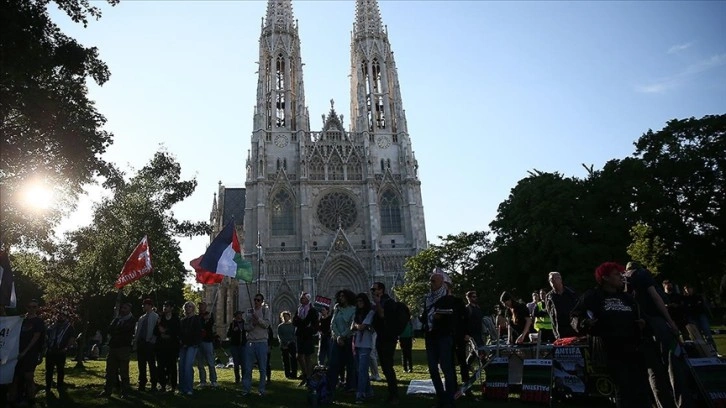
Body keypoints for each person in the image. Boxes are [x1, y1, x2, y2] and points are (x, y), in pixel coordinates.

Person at [570, 262, 650, 408]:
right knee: (624, 389)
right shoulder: (593, 296)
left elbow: (642, 316)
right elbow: (575, 317)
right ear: (605, 278)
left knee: (641, 389)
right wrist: (585, 323)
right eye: (616, 274)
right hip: (610, 349)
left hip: (634, 348)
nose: (621, 277)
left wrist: (643, 323)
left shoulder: (627, 298)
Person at [624, 261, 687, 408]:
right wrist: (671, 322)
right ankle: (683, 403)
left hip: (639, 328)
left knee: (653, 370)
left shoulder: (622, 280)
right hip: (657, 324)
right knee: (673, 364)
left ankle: (663, 404)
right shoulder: (643, 275)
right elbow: (655, 297)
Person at [421, 269, 458, 408]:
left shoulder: (448, 299)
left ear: (442, 283)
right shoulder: (428, 298)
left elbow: (453, 317)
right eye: (430, 281)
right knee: (432, 368)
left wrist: (441, 317)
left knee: (446, 368)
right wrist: (427, 317)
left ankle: (449, 400)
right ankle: (441, 397)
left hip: (443, 336)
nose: (430, 283)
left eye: (433, 281)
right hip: (430, 336)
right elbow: (424, 315)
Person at [12, 299, 46, 405]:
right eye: (30, 307)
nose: (32, 309)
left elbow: (36, 337)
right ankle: (18, 397)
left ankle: (31, 398)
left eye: (34, 307)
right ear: (26, 308)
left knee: (29, 376)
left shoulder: (39, 322)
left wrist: (25, 351)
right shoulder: (22, 320)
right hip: (17, 352)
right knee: (17, 377)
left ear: (37, 308)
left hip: (31, 353)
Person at [370, 281, 399, 404]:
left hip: (388, 339)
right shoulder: (380, 302)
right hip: (381, 337)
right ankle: (391, 393)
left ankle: (394, 395)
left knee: (388, 367)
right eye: (372, 290)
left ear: (381, 290)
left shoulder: (388, 302)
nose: (372, 292)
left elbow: (383, 316)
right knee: (385, 368)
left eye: (374, 289)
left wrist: (376, 303)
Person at [100, 302, 136, 398]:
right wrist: (117, 329)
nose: (123, 309)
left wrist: (117, 330)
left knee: (124, 371)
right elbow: (110, 329)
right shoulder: (117, 319)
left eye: (125, 308)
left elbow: (126, 330)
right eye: (122, 308)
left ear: (129, 309)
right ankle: (107, 391)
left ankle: (125, 392)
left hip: (124, 347)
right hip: (113, 347)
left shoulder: (132, 320)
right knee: (110, 371)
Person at [327, 289, 356, 394]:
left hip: (348, 339)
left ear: (348, 297)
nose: (341, 298)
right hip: (337, 339)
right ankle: (331, 385)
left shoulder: (353, 309)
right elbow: (332, 324)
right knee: (333, 364)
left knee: (350, 364)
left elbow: (351, 325)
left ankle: (350, 386)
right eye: (339, 296)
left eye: (343, 296)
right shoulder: (337, 308)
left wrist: (342, 336)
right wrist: (338, 336)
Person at [242, 293, 270, 396]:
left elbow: (266, 324)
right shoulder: (249, 312)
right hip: (250, 342)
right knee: (248, 368)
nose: (256, 302)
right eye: (255, 300)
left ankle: (261, 390)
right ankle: (246, 389)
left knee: (262, 368)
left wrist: (257, 319)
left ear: (262, 302)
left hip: (261, 342)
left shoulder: (265, 311)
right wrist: (252, 324)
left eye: (258, 300)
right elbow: (245, 327)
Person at [352, 292, 376, 403]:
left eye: (361, 301)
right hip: (356, 344)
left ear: (365, 302)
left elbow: (361, 326)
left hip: (366, 345)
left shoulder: (370, 312)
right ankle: (369, 392)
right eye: (357, 301)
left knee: (362, 370)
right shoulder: (356, 313)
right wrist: (357, 326)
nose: (359, 303)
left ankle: (360, 394)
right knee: (360, 370)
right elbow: (353, 326)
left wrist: (357, 326)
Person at [45, 310, 75, 394]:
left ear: (66, 317)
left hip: (61, 351)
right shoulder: (52, 325)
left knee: (60, 370)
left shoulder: (69, 327)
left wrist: (66, 348)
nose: (60, 317)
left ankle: (60, 386)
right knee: (49, 370)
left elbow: (72, 338)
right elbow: (47, 335)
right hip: (50, 351)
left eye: (62, 315)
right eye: (59, 315)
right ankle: (48, 386)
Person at [292, 292, 319, 386]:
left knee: (308, 357)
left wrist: (307, 327)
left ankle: (308, 377)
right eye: (300, 298)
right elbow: (294, 321)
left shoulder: (312, 310)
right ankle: (305, 375)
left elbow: (312, 323)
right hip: (300, 335)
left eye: (303, 298)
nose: (301, 299)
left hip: (307, 335)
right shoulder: (299, 309)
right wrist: (302, 323)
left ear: (308, 299)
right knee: (299, 356)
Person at [682, 284, 717, 353]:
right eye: (686, 288)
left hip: (701, 315)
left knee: (707, 332)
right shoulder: (684, 299)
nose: (688, 290)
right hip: (692, 317)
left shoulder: (698, 296)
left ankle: (713, 351)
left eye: (689, 288)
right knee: (698, 336)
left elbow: (700, 306)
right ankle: (703, 351)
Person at [134, 298, 159, 392]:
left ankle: (154, 383)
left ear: (149, 306)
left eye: (145, 305)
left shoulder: (155, 316)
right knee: (141, 364)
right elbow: (138, 331)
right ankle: (142, 382)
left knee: (151, 364)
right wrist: (136, 342)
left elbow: (156, 330)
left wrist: (152, 340)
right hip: (141, 342)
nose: (143, 307)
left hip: (149, 343)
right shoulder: (142, 318)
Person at [155, 300, 180, 393]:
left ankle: (173, 386)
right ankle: (162, 385)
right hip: (161, 347)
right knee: (161, 366)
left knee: (172, 367)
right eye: (164, 306)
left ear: (171, 308)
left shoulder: (175, 318)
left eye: (167, 306)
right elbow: (155, 332)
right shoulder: (160, 318)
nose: (165, 307)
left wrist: (166, 332)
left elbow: (177, 331)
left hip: (172, 347)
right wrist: (159, 330)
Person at [544, 272, 579, 339]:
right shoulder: (549, 297)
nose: (553, 281)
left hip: (573, 329)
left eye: (555, 278)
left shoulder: (571, 293)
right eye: (551, 279)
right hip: (558, 331)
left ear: (560, 279)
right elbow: (549, 312)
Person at [178, 301, 202, 396]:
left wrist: (191, 343)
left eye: (190, 306)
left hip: (192, 345)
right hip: (183, 345)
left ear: (193, 308)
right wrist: (182, 342)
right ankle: (182, 387)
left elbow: (197, 333)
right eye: (187, 306)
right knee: (181, 366)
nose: (188, 308)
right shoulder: (183, 320)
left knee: (188, 366)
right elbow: (180, 333)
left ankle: (189, 388)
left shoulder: (196, 319)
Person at [195, 301, 218, 388]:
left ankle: (213, 380)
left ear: (205, 306)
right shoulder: (197, 317)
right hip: (199, 341)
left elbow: (210, 324)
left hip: (207, 341)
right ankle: (203, 381)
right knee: (200, 363)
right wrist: (202, 319)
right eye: (200, 306)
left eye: (203, 305)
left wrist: (207, 319)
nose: (201, 307)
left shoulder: (210, 315)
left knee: (210, 362)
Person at [228, 310, 247, 384]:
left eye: (241, 314)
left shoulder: (244, 323)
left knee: (243, 363)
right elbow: (228, 334)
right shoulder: (232, 324)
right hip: (234, 345)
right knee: (236, 363)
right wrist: (233, 330)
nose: (240, 316)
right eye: (239, 314)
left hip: (243, 345)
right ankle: (237, 378)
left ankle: (244, 378)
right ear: (236, 316)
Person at [277, 311, 297, 379]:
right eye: (284, 316)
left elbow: (294, 335)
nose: (285, 318)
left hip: (292, 344)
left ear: (289, 317)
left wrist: (290, 341)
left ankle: (294, 373)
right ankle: (287, 374)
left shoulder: (293, 325)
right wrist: (285, 342)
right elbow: (280, 335)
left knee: (293, 359)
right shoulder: (280, 326)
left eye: (287, 316)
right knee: (285, 360)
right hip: (284, 344)